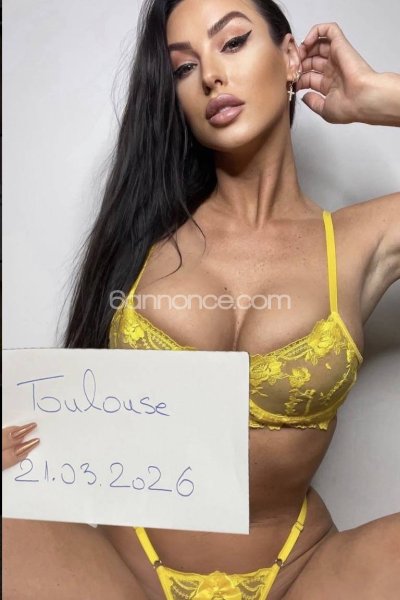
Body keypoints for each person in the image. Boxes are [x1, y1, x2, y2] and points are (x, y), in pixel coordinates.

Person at [3, 0, 400, 598]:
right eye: (184, 68)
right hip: (127, 571)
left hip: (300, 572)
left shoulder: (360, 240)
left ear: (290, 58)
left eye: (233, 42)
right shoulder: (142, 237)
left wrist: (379, 97)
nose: (211, 75)